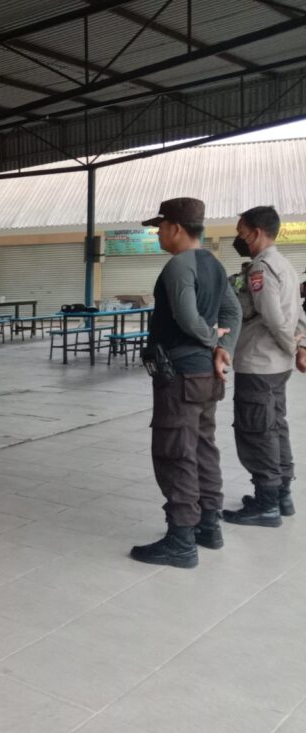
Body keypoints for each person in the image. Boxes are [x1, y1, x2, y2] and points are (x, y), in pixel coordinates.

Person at [130, 198, 241, 568]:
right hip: (205, 375)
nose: (158, 234)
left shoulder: (179, 265)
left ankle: (180, 540)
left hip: (180, 375)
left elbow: (187, 318)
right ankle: (208, 525)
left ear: (176, 227)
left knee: (175, 451)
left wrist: (211, 341)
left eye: (160, 227)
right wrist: (224, 349)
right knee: (202, 447)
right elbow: (233, 311)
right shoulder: (213, 263)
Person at [222, 206, 306, 527]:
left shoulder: (261, 268)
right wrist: (297, 347)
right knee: (275, 426)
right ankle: (281, 495)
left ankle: (266, 503)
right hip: (276, 365)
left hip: (259, 362)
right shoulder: (285, 265)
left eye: (241, 233)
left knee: (256, 429)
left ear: (256, 233)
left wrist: (293, 346)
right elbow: (297, 313)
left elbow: (273, 317)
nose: (239, 239)